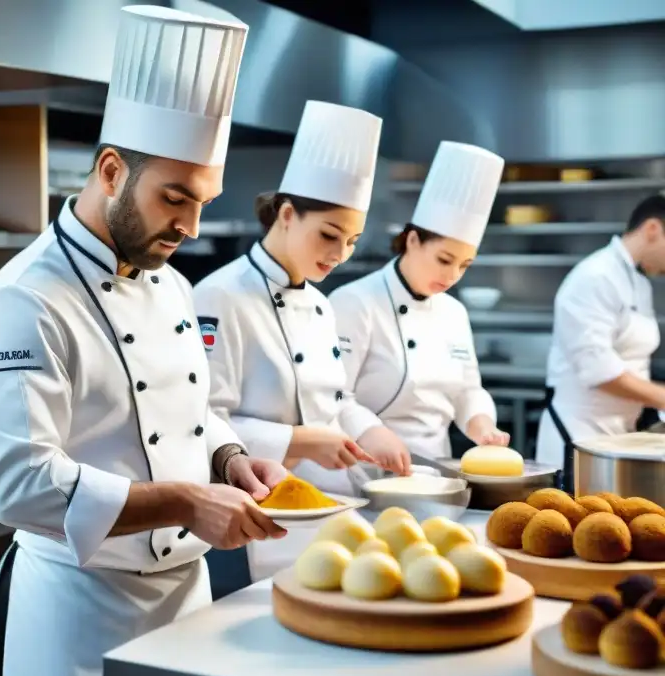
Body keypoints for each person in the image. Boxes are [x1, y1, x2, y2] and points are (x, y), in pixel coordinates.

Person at [0, 7, 288, 676]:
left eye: (204, 199)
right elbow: (21, 486)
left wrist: (230, 461)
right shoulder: (24, 303)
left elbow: (187, 407)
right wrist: (184, 501)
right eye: (176, 197)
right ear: (111, 171)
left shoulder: (169, 285)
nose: (194, 225)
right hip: (80, 612)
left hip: (184, 598)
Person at [194, 100, 405, 582]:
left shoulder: (319, 303)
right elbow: (202, 418)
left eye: (351, 241)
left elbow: (335, 398)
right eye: (329, 235)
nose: (340, 254)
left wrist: (368, 427)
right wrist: (302, 442)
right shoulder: (219, 296)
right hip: (260, 519)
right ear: (287, 214)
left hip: (330, 509)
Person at [329, 141, 509, 464]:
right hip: (361, 469)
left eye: (464, 265)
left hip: (436, 472)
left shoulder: (454, 313)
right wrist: (370, 430)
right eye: (444, 259)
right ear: (413, 241)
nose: (453, 275)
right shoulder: (353, 302)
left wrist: (482, 424)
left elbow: (467, 390)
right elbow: (331, 395)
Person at [536, 194, 665, 490]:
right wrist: (662, 397)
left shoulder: (639, 282)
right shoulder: (595, 277)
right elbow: (598, 370)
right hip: (580, 436)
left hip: (621, 435)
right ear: (652, 229)